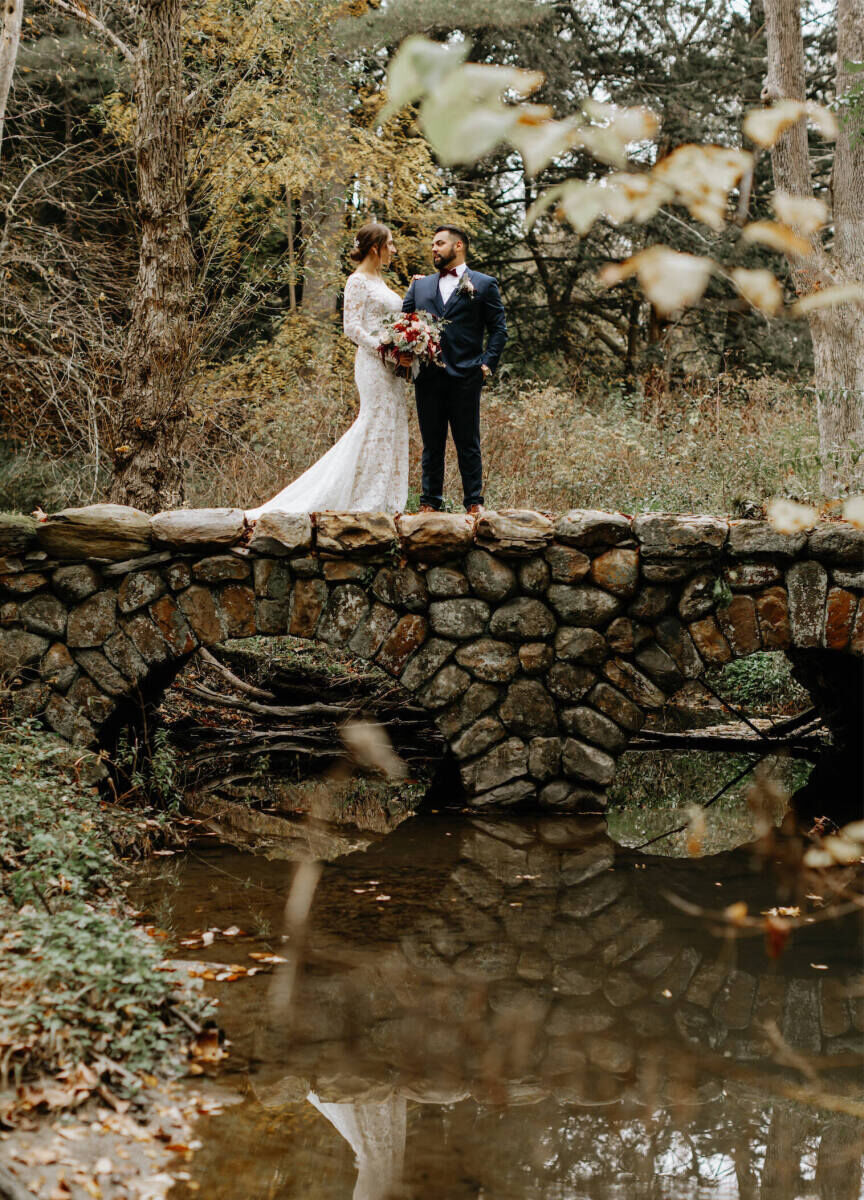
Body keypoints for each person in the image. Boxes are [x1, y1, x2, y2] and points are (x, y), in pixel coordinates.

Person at [245, 222, 410, 519]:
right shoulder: (357, 281)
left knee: (391, 424)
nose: (394, 249)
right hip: (373, 365)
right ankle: (363, 499)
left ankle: (384, 498)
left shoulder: (380, 281)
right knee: (374, 422)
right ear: (376, 248)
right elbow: (352, 328)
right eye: (391, 244)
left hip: (392, 369)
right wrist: (385, 350)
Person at [402, 225, 507, 515]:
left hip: (467, 375)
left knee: (468, 442)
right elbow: (404, 323)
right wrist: (405, 355)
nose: (434, 249)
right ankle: (429, 502)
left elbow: (499, 329)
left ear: (458, 245)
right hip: (428, 377)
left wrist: (486, 364)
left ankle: (474, 502)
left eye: (439, 243)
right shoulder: (420, 286)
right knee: (431, 444)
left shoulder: (484, 284)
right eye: (433, 244)